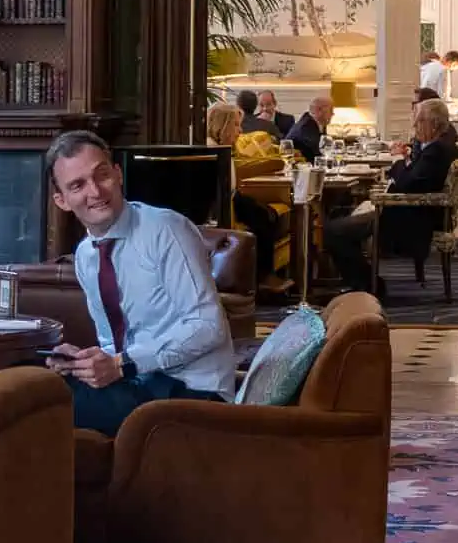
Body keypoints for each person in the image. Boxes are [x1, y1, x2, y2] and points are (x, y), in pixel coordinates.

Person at [42, 130, 236, 434]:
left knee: (36, 404)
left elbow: (208, 326)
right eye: (77, 185)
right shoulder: (85, 256)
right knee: (29, 383)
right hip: (138, 384)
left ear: (117, 174)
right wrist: (85, 363)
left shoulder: (165, 230)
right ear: (62, 200)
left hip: (193, 391)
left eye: (101, 175)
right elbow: (114, 343)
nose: (95, 191)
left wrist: (122, 364)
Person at [327, 97, 456, 294]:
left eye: (419, 120)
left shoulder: (437, 150)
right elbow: (414, 179)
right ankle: (360, 280)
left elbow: (408, 184)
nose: (414, 125)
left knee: (333, 230)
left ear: (434, 123)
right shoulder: (436, 146)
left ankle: (368, 285)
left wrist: (397, 160)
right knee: (338, 218)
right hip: (408, 211)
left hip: (409, 218)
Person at [209, 102, 288, 293]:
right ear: (223, 125)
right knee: (265, 218)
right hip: (223, 203)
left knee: (269, 214)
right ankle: (262, 277)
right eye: (235, 125)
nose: (240, 130)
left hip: (233, 197)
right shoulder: (213, 150)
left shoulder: (223, 148)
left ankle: (265, 275)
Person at [285, 94, 332, 161]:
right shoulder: (306, 127)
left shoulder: (313, 121)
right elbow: (317, 154)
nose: (332, 114)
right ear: (319, 111)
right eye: (331, 110)